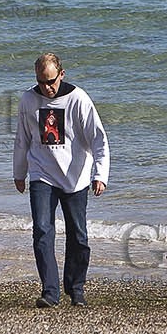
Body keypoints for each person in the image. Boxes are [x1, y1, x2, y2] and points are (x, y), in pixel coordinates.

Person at [14, 53, 109, 308]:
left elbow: (99, 139)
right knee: (42, 230)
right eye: (41, 82)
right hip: (42, 173)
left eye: (51, 81)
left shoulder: (78, 99)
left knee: (78, 235)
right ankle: (50, 292)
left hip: (75, 176)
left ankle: (76, 288)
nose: (47, 88)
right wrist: (19, 172)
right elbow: (22, 138)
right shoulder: (29, 100)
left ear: (62, 74)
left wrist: (100, 175)